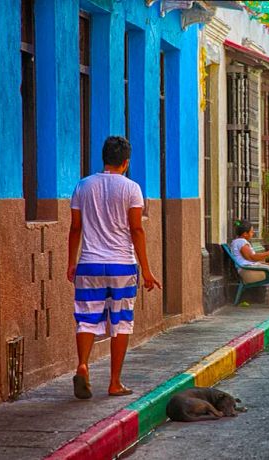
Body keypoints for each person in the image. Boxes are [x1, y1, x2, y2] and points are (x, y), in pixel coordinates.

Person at [67, 136, 161, 400]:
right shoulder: (132, 189)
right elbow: (136, 229)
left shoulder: (83, 186)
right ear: (126, 162)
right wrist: (147, 269)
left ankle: (83, 365)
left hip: (89, 264)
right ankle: (114, 382)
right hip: (122, 265)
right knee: (120, 322)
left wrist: (71, 262)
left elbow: (75, 228)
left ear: (104, 158)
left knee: (86, 317)